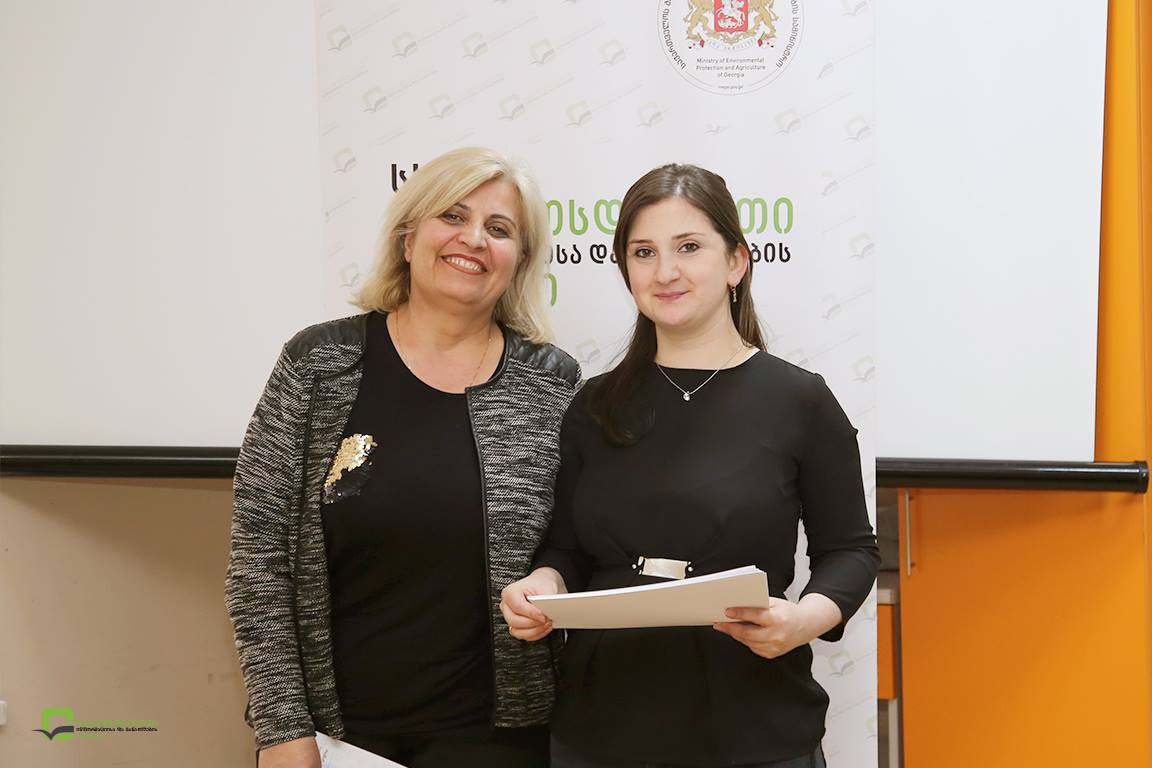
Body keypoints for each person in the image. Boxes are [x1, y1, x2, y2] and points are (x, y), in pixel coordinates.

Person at [501, 164, 880, 767]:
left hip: (755, 724)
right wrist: (541, 587)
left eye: (688, 247)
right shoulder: (594, 405)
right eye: (643, 252)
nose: (665, 272)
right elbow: (566, 550)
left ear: (736, 262)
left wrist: (805, 620)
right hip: (601, 727)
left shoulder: (800, 400)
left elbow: (852, 551)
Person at [225, 147, 579, 768]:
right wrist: (282, 728)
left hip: (496, 738)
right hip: (338, 737)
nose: (474, 239)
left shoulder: (550, 384)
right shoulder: (319, 365)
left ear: (519, 261)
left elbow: (572, 539)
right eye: (453, 216)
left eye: (499, 229)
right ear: (409, 237)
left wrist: (550, 578)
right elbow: (259, 561)